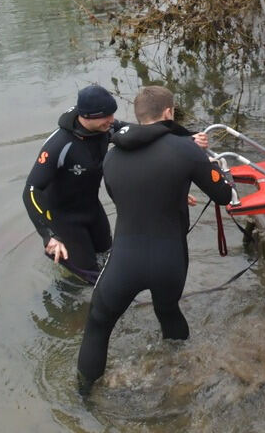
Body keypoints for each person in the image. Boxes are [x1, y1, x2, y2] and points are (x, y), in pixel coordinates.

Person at [76, 86, 235, 393]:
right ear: (168, 113)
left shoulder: (111, 158)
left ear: (138, 116)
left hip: (124, 261)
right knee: (168, 310)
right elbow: (223, 195)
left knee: (98, 324)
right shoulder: (186, 150)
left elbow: (126, 197)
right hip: (169, 260)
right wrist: (215, 170)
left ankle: (83, 400)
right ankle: (181, 378)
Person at [23, 85, 120, 284]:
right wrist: (48, 235)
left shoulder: (105, 128)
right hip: (64, 218)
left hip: (92, 209)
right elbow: (31, 190)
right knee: (88, 279)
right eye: (106, 116)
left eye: (113, 114)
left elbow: (141, 132)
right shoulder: (59, 144)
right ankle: (67, 296)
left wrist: (185, 138)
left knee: (110, 259)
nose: (112, 120)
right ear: (87, 116)